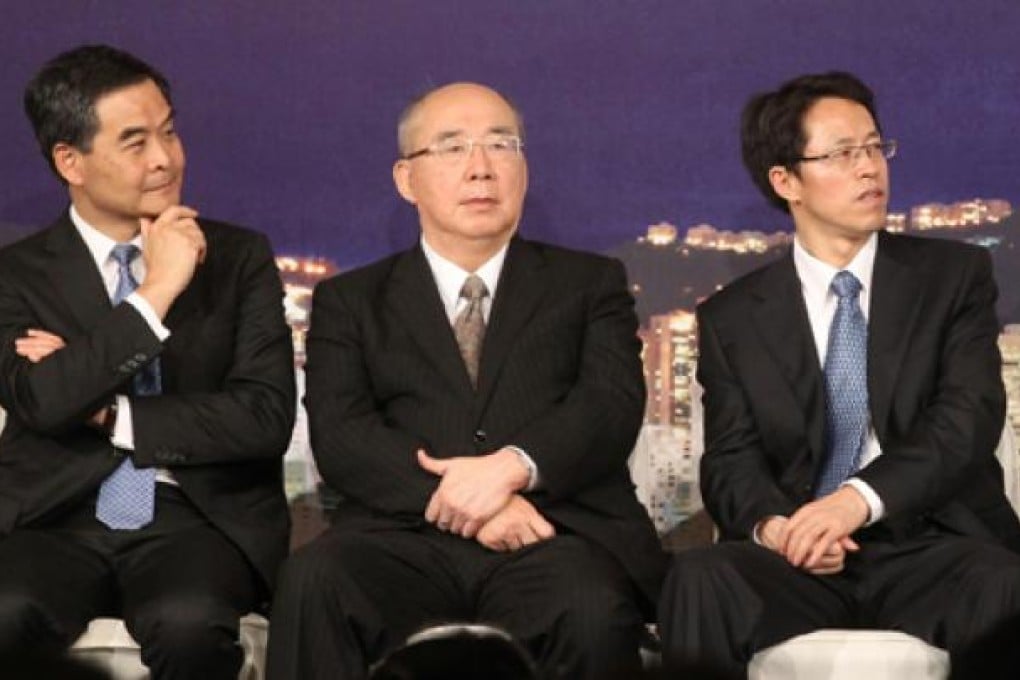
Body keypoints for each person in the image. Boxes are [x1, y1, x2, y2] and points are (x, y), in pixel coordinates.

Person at [266, 81, 664, 680]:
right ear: (406, 180)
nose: (481, 168)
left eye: (501, 146)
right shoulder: (351, 300)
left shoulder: (590, 283)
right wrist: (473, 506)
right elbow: (343, 434)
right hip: (400, 540)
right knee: (313, 581)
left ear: (524, 168)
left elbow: (609, 406)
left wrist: (511, 469)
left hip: (552, 534)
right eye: (452, 149)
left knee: (589, 608)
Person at [658, 71, 1020, 679]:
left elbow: (967, 418)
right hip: (801, 558)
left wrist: (856, 502)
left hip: (929, 545)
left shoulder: (953, 276)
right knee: (699, 578)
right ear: (786, 180)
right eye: (843, 154)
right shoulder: (733, 317)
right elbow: (730, 459)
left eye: (876, 147)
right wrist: (776, 529)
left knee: (1007, 586)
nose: (869, 168)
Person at [0, 44, 295, 679]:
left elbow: (264, 416)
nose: (165, 158)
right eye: (135, 142)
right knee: (7, 611)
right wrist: (156, 292)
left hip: (196, 516)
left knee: (190, 622)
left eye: (169, 130)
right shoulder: (16, 275)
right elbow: (43, 401)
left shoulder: (238, 258)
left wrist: (106, 409)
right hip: (51, 519)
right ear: (70, 161)